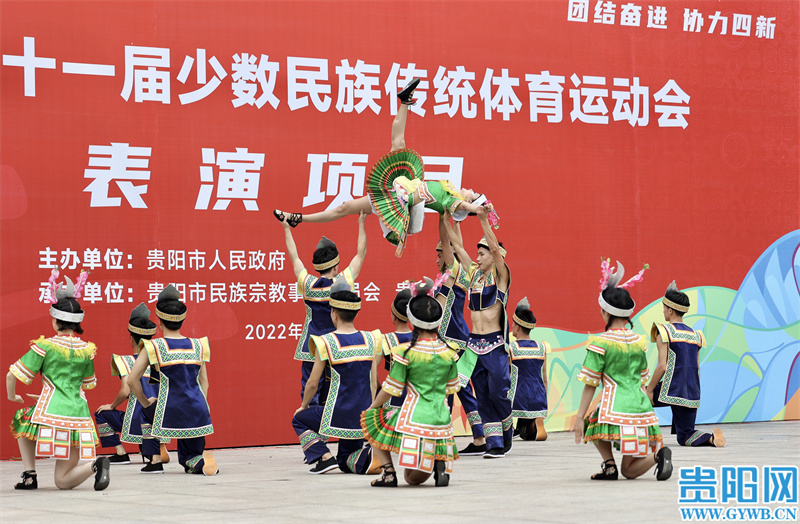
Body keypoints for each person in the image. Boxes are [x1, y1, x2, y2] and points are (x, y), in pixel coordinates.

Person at [273, 78, 487, 257]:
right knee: (397, 146)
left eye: (473, 194)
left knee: (344, 208)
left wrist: (477, 210)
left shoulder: (454, 202)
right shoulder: (451, 190)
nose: (470, 189)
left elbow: (462, 207)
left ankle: (300, 218)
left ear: (468, 201)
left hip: (402, 202)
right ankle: (405, 101)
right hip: (406, 187)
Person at [6, 270, 110, 490]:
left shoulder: (46, 346)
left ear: (55, 321)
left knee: (22, 418)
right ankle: (95, 464)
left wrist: (12, 395)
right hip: (79, 417)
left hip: (51, 412)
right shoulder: (87, 349)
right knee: (63, 481)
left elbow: (11, 374)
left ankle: (30, 475)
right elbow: (88, 384)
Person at [573, 259, 672, 481]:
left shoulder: (601, 342)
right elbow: (643, 379)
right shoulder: (639, 342)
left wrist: (580, 416)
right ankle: (657, 456)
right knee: (628, 470)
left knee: (592, 420)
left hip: (613, 407)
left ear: (605, 313)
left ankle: (610, 464)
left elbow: (591, 382)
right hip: (640, 409)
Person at [361, 277, 461, 487]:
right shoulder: (449, 352)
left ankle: (389, 474)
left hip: (414, 418)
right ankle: (438, 461)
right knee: (412, 478)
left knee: (370, 418)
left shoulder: (406, 353)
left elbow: (391, 388)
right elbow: (452, 387)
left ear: (412, 320)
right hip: (442, 421)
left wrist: (373, 407)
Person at [291, 277, 381, 475]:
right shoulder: (371, 338)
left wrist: (304, 406)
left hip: (336, 414)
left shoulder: (326, 342)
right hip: (362, 415)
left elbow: (313, 383)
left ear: (334, 314)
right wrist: (370, 412)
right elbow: (373, 383)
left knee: (299, 420)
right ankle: (365, 457)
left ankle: (323, 457)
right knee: (345, 459)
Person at [278, 210, 367, 405]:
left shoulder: (308, 284)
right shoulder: (342, 283)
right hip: (338, 345)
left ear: (318, 267)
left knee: (310, 390)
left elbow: (294, 257)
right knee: (338, 390)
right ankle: (336, 429)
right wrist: (361, 223)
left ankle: (312, 430)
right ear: (336, 267)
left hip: (311, 346)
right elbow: (361, 254)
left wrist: (286, 227)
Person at [128, 285, 217, 476]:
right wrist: (199, 407)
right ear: (183, 320)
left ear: (159, 321)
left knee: (146, 411)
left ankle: (155, 460)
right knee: (189, 457)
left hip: (171, 409)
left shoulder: (154, 346)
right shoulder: (198, 344)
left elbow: (132, 380)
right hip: (198, 409)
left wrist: (145, 402)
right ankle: (199, 460)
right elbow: (205, 383)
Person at [445, 205, 512, 458]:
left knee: (497, 392)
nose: (479, 257)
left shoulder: (501, 277)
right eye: (478, 253)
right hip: (474, 346)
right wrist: (446, 218)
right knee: (482, 394)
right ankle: (494, 444)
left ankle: (507, 430)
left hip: (495, 345)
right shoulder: (473, 275)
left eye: (482, 254)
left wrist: (484, 219)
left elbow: (495, 250)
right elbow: (457, 247)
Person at [646, 281, 725, 447]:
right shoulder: (696, 334)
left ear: (670, 309)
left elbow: (662, 366)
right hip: (691, 392)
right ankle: (711, 438)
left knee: (638, 398)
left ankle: (641, 438)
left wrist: (650, 390)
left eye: (664, 308)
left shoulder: (664, 331)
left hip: (669, 389)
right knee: (686, 436)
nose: (663, 311)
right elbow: (697, 368)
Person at [94, 303, 170, 468]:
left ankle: (121, 453)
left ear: (131, 338)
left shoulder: (125, 361)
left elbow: (125, 390)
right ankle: (156, 447)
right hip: (160, 418)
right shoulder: (159, 362)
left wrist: (112, 405)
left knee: (101, 413)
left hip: (136, 419)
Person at [436, 214, 486, 455]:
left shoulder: (455, 272)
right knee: (463, 390)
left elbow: (451, 245)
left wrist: (442, 215)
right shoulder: (457, 275)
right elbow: (457, 245)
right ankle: (479, 436)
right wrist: (455, 221)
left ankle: (444, 437)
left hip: (451, 341)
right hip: (458, 339)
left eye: (439, 254)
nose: (437, 257)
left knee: (447, 390)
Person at [508, 297, 549, 441]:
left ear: (518, 327)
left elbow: (505, 375)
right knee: (525, 434)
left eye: (513, 324)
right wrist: (543, 399)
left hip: (518, 400)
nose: (511, 326)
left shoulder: (511, 348)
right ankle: (533, 424)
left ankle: (510, 429)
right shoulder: (542, 347)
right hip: (538, 399)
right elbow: (545, 378)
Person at [371, 288, 413, 408]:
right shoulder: (420, 339)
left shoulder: (386, 340)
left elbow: (372, 369)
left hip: (392, 399)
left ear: (393, 316)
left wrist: (378, 387)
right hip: (415, 401)